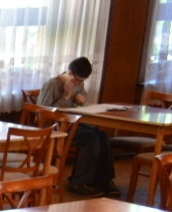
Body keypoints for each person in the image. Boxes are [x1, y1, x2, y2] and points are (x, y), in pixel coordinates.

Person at [39, 57, 118, 197]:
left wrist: (82, 102)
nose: (80, 84)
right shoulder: (52, 84)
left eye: (83, 81)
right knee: (91, 138)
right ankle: (78, 183)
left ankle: (103, 180)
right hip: (54, 127)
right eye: (78, 80)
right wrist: (65, 97)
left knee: (103, 136)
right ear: (70, 73)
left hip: (72, 124)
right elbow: (42, 113)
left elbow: (83, 102)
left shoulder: (78, 85)